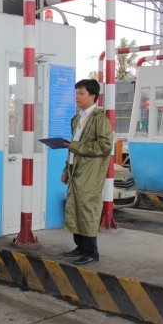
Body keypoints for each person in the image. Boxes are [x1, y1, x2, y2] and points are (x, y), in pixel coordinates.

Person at [60, 79, 113, 265]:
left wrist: (75, 146)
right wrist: (66, 168)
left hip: (90, 173)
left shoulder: (100, 119)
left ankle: (91, 251)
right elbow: (72, 147)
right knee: (75, 207)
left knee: (87, 209)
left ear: (93, 96)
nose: (77, 97)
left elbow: (105, 146)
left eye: (81, 93)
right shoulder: (77, 118)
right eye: (76, 93)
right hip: (76, 170)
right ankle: (80, 246)